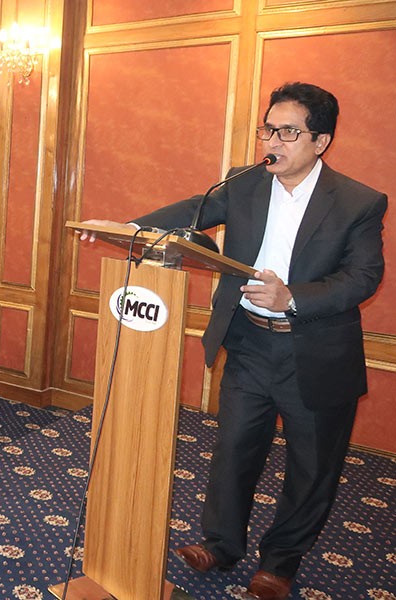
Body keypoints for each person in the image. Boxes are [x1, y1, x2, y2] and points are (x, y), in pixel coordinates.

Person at [81, 82, 387, 600]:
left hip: (314, 351)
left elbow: (363, 278)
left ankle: (280, 564)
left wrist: (291, 296)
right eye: (269, 129)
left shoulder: (358, 202)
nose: (274, 141)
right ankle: (221, 545)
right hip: (248, 342)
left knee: (312, 466)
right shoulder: (244, 182)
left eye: (289, 132)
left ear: (321, 141)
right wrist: (129, 227)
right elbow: (192, 211)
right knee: (234, 449)